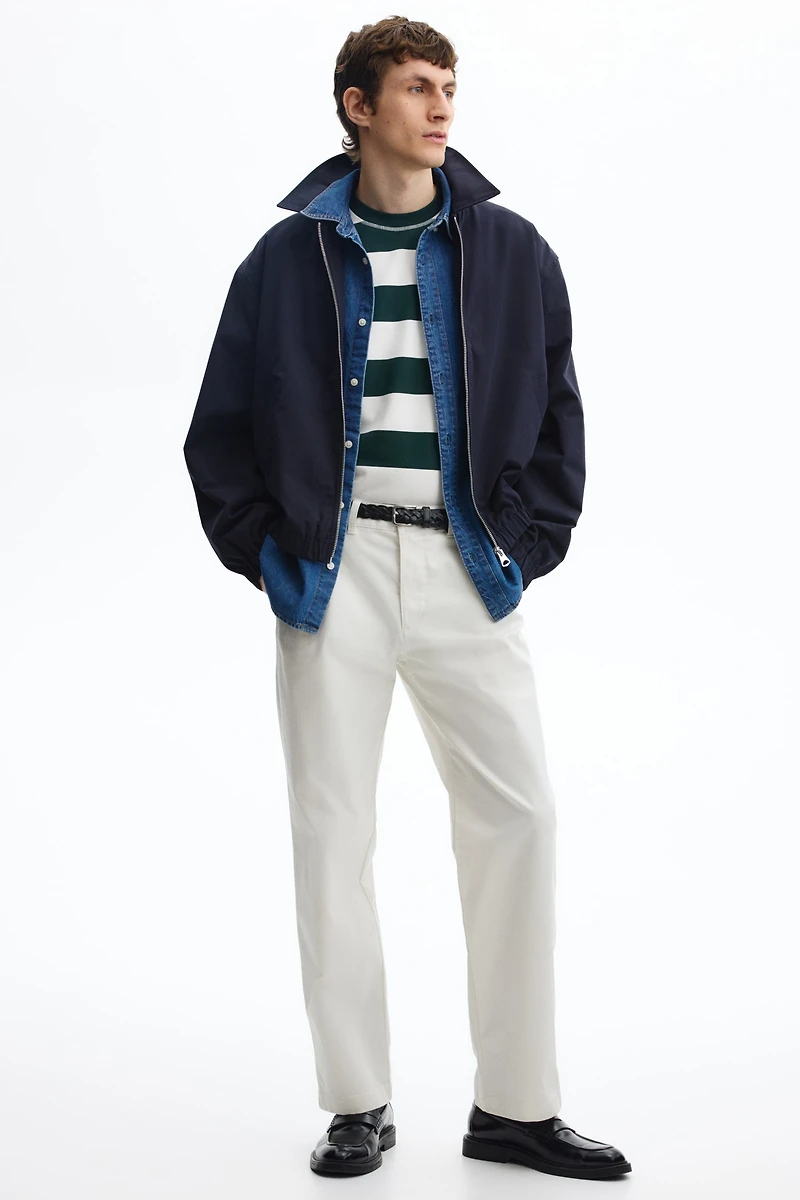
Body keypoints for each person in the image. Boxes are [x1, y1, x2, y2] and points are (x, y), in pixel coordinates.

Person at [183, 14, 631, 1182]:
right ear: (356, 105)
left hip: (465, 566)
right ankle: (356, 1103)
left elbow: (558, 413)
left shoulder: (509, 250)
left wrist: (524, 546)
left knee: (518, 820)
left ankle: (515, 1109)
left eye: (448, 88)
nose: (441, 108)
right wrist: (270, 558)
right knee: (331, 834)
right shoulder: (282, 261)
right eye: (418, 88)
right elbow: (218, 431)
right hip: (328, 574)